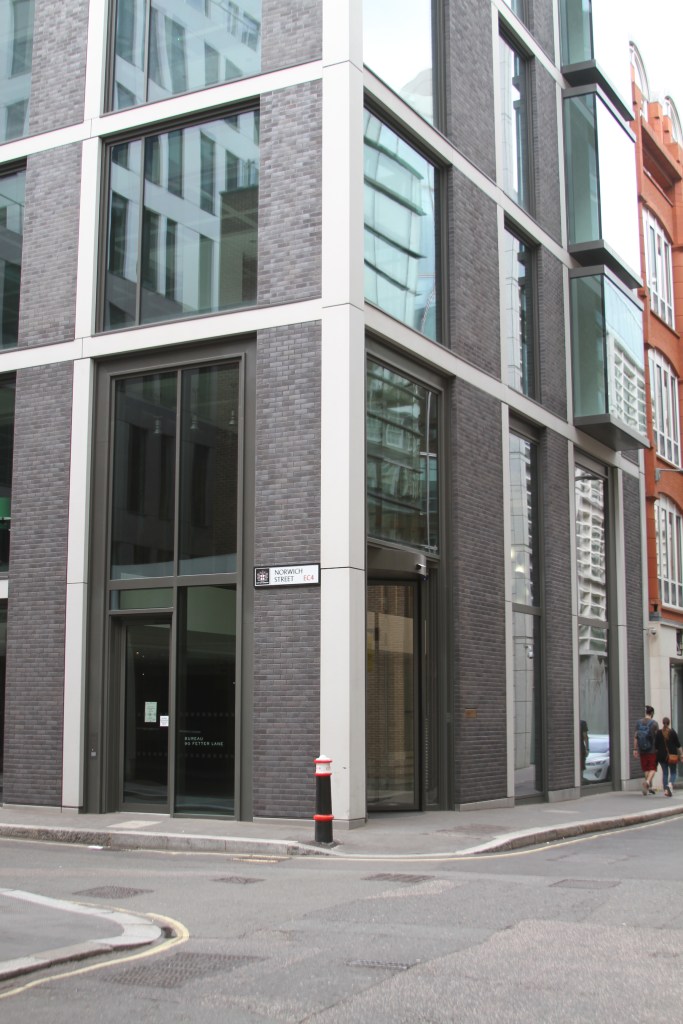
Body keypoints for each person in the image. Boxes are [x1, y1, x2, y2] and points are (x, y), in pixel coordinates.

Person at [633, 705, 659, 795]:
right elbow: (657, 738)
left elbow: (636, 737)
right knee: (653, 768)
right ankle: (647, 782)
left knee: (646, 768)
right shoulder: (654, 723)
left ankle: (647, 787)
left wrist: (635, 749)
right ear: (652, 713)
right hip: (652, 749)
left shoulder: (638, 722)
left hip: (642, 750)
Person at [655, 717, 682, 797]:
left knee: (665, 773)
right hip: (672, 756)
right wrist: (682, 754)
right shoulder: (672, 732)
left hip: (661, 756)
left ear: (663, 723)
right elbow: (678, 745)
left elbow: (656, 746)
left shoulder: (658, 733)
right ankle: (670, 784)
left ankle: (666, 790)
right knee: (673, 772)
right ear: (669, 723)